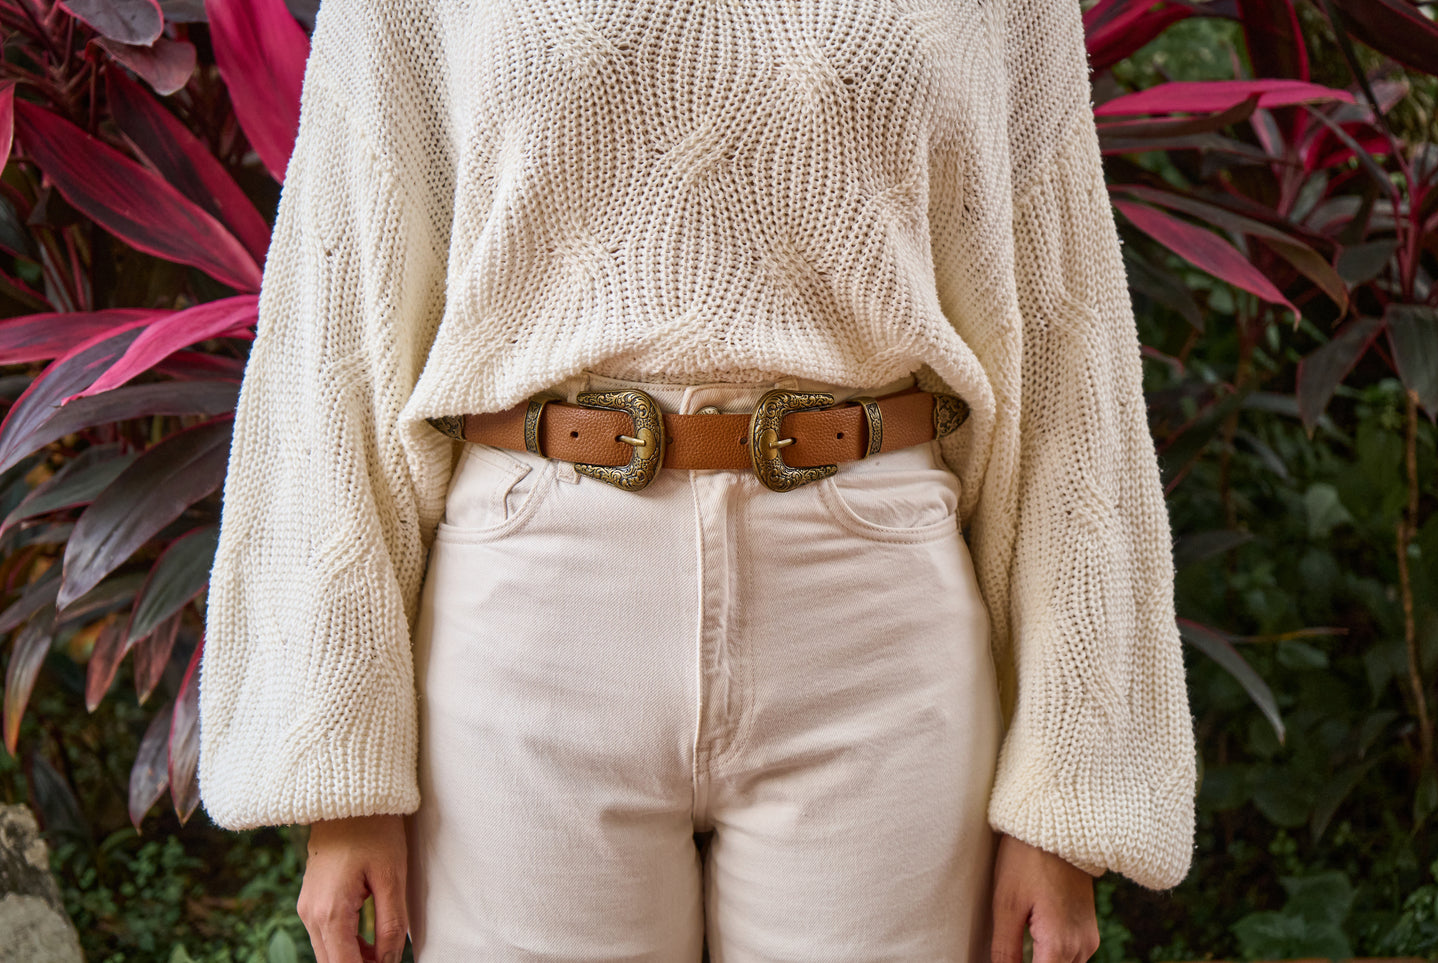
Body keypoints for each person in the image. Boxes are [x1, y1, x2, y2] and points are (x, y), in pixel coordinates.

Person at [197, 0, 1199, 960]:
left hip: (871, 614)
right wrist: (342, 779)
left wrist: (1067, 791)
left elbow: (1066, 355)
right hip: (532, 607)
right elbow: (336, 336)